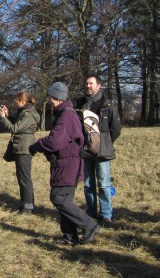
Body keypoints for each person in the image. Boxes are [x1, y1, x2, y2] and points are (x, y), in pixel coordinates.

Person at [29, 82, 100, 246]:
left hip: (68, 165)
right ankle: (69, 237)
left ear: (58, 98)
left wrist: (37, 145)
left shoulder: (66, 116)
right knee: (64, 200)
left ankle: (90, 225)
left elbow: (55, 141)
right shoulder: (66, 114)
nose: (49, 100)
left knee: (58, 198)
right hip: (67, 163)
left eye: (51, 97)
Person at [75, 74, 122, 224]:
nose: (88, 86)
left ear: (98, 85)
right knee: (88, 184)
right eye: (86, 83)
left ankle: (106, 214)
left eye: (91, 83)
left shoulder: (107, 104)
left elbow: (116, 128)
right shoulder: (80, 104)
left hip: (102, 152)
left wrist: (105, 143)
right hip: (86, 151)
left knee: (103, 184)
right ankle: (91, 212)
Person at [0, 92, 40, 214]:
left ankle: (28, 207)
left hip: (24, 149)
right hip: (20, 147)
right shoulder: (25, 112)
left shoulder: (28, 114)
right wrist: (7, 115)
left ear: (22, 101)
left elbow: (14, 128)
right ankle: (26, 203)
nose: (15, 105)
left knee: (24, 178)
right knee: (22, 177)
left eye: (16, 102)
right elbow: (18, 124)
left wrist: (3, 118)